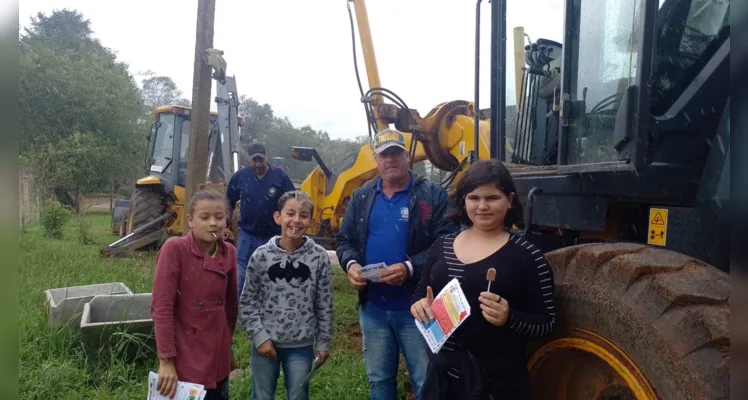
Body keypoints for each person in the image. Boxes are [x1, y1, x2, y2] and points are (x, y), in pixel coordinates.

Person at [411, 160, 557, 400]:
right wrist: (419, 306)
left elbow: (547, 323)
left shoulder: (528, 256)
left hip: (495, 386)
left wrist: (510, 318)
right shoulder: (442, 246)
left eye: (492, 198)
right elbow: (419, 294)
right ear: (463, 201)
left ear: (509, 200)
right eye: (474, 198)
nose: (482, 206)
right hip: (443, 381)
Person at [336, 128, 459, 400]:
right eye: (383, 155)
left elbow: (448, 242)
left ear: (407, 156)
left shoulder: (432, 195)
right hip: (373, 309)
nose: (390, 160)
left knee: (425, 379)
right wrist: (352, 265)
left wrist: (410, 267)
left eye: (395, 153)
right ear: (376, 161)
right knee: (379, 381)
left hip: (419, 309)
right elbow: (344, 240)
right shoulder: (362, 196)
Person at [239, 190, 334, 400]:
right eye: (290, 213)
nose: (296, 221)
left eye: (303, 215)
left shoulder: (318, 257)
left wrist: (323, 342)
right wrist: (259, 337)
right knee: (262, 396)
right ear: (278, 217)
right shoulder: (261, 256)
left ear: (311, 220)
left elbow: (324, 303)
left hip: (301, 345)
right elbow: (248, 301)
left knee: (298, 396)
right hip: (265, 342)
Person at [151, 190, 238, 400]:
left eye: (219, 217)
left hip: (217, 356)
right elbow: (161, 308)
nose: (213, 223)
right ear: (190, 220)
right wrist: (166, 361)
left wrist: (227, 345)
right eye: (204, 217)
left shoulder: (229, 253)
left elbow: (230, 306)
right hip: (184, 355)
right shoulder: (175, 249)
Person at [227, 141, 296, 298]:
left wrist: (289, 225)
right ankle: (239, 306)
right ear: (249, 160)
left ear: (266, 157)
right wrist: (225, 224)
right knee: (242, 273)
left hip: (272, 234)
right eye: (254, 160)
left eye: (260, 159)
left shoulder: (279, 176)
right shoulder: (241, 176)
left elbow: (292, 200)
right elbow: (228, 201)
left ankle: (270, 303)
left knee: (273, 271)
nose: (257, 164)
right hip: (247, 233)